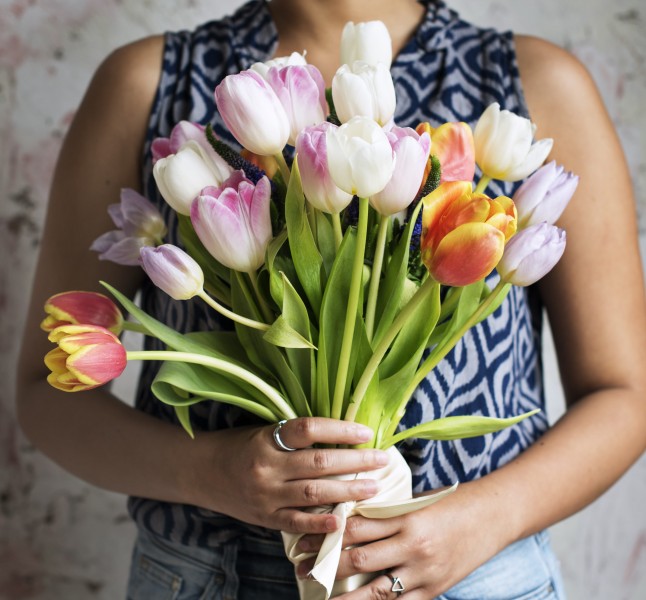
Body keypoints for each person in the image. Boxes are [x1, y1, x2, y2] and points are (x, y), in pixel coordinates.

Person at [16, 0, 646, 598]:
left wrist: (481, 521)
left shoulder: (534, 84)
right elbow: (48, 397)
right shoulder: (148, 82)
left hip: (479, 573)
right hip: (213, 574)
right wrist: (214, 473)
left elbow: (626, 395)